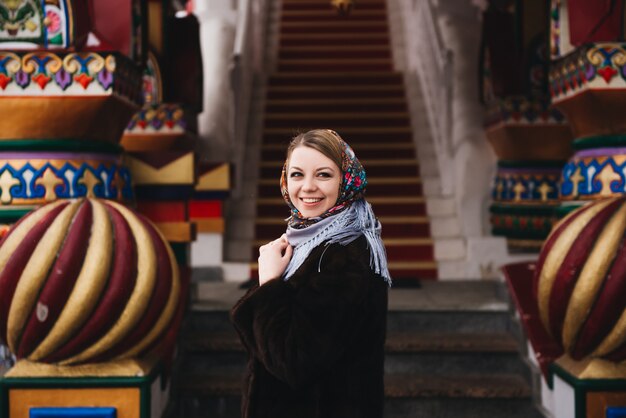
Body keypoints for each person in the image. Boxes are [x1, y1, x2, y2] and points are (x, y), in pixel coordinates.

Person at [230, 129, 391, 418]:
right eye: (296, 174)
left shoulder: (345, 255)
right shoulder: (307, 241)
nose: (307, 187)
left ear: (347, 179)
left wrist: (269, 283)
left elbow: (293, 361)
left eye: (324, 175)